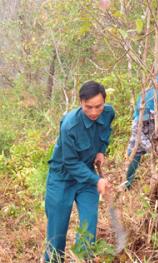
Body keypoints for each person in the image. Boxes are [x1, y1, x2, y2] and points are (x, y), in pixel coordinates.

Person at [44, 81, 115, 262]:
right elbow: (70, 162)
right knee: (56, 235)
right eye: (88, 107)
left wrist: (101, 149)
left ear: (104, 102)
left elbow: (105, 131)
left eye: (98, 106)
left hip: (86, 177)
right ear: (81, 103)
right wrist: (97, 181)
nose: (93, 112)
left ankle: (83, 258)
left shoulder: (108, 113)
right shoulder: (69, 125)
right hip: (62, 177)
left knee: (88, 225)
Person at [125, 74, 158, 189]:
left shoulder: (146, 94)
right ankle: (126, 184)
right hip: (141, 132)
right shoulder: (137, 123)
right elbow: (139, 135)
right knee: (134, 154)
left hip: (152, 127)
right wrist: (150, 148)